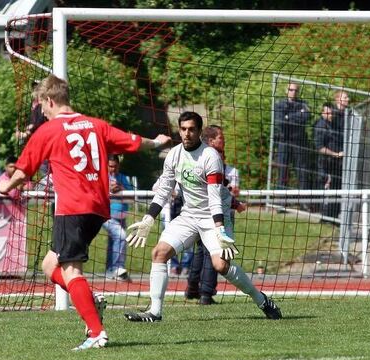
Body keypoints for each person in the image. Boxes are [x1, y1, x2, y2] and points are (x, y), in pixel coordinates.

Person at [0, 74, 170, 350]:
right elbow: (133, 141)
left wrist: (6, 185)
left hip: (72, 208)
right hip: (98, 207)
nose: (40, 111)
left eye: (41, 105)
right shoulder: (96, 125)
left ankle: (96, 333)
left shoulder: (48, 130)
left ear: (50, 100)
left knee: (71, 269)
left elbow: (22, 172)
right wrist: (157, 142)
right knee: (49, 265)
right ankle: (90, 301)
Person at [123, 111, 281, 322]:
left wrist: (220, 228)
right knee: (159, 253)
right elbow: (163, 190)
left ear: (199, 132)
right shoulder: (173, 155)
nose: (186, 133)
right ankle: (155, 312)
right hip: (189, 215)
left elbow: (215, 197)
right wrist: (149, 218)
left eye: (191, 129)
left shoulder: (210, 156)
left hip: (214, 216)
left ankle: (261, 299)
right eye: (183, 129)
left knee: (220, 265)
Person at [185, 125, 247, 305]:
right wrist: (235, 203)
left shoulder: (195, 156)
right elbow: (218, 191)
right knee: (214, 251)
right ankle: (206, 293)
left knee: (201, 251)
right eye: (221, 137)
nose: (224, 140)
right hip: (214, 213)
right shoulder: (213, 158)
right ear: (211, 141)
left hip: (196, 211)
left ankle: (192, 289)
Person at [273, 82, 311, 190]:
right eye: (291, 90)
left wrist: (287, 117)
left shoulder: (303, 104)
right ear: (286, 91)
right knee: (282, 171)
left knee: (302, 171)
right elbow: (280, 121)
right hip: (284, 141)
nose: (293, 92)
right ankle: (280, 201)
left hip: (299, 142)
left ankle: (304, 201)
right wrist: (298, 115)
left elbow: (306, 117)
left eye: (295, 90)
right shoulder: (279, 104)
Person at [103, 155, 132, 281]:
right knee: (121, 236)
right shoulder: (101, 178)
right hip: (106, 216)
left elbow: (132, 197)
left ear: (118, 166)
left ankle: (110, 270)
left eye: (115, 166)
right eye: (110, 166)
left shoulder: (123, 178)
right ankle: (117, 268)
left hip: (121, 216)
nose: (113, 169)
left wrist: (121, 188)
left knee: (113, 242)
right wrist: (108, 190)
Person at [314, 98, 345, 218]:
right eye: (327, 113)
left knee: (335, 190)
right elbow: (320, 148)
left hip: (334, 164)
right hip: (325, 165)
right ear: (322, 113)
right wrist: (336, 154)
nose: (330, 115)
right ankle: (325, 217)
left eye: (331, 112)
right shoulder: (320, 126)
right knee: (327, 190)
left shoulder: (333, 124)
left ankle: (332, 216)